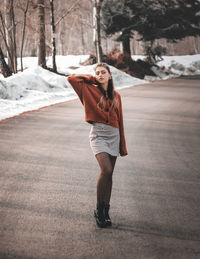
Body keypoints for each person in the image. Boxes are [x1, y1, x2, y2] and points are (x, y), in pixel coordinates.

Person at [67, 63, 128, 228]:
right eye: (98, 73)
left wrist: (122, 145)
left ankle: (106, 212)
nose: (100, 75)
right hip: (98, 135)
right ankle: (98, 209)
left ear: (110, 75)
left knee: (110, 175)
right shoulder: (88, 90)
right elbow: (72, 79)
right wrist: (92, 78)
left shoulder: (117, 96)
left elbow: (120, 121)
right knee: (106, 170)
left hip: (114, 135)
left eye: (103, 73)